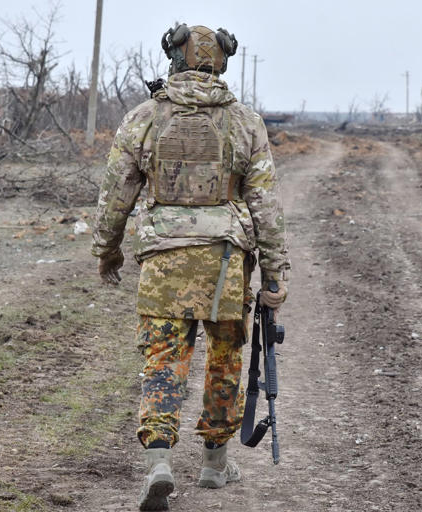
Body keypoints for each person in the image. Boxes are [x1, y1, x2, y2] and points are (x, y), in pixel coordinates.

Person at [91, 23, 290, 511]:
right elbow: (265, 205)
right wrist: (273, 274)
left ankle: (159, 460)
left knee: (163, 359)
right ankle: (214, 465)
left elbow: (116, 195)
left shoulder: (142, 118)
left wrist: (107, 250)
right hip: (225, 261)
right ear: (222, 62)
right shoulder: (246, 123)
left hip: (163, 260)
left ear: (174, 59)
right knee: (225, 359)